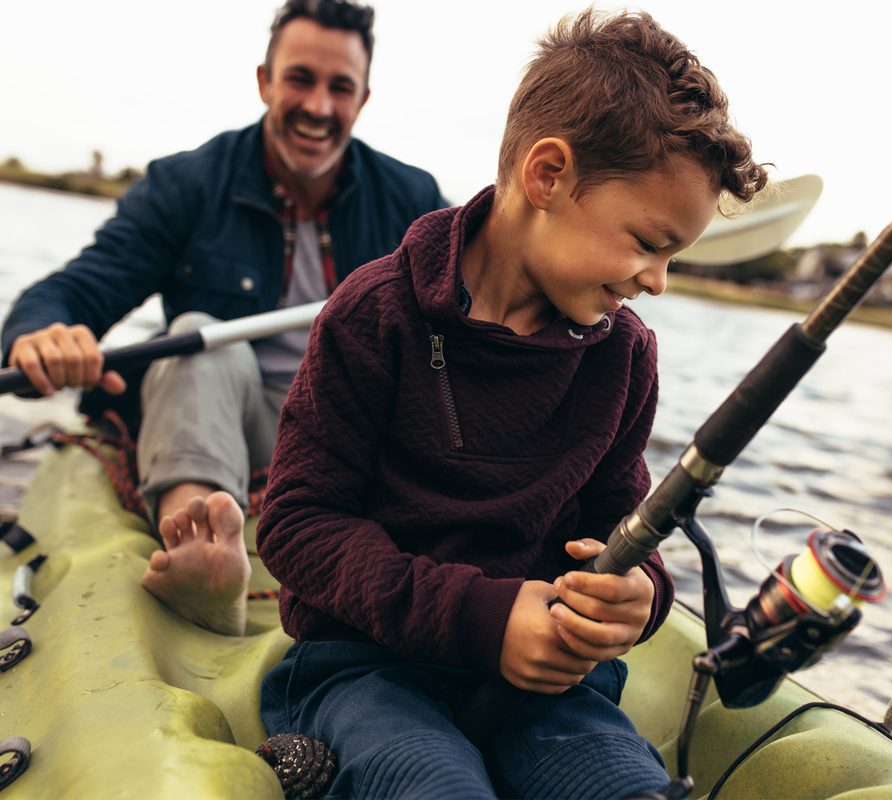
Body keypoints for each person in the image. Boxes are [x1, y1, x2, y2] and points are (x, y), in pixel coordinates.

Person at [254, 8, 768, 799]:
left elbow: (619, 522)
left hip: (550, 692)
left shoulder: (625, 356)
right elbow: (296, 524)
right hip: (366, 669)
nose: (658, 280)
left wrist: (641, 597)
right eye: (647, 242)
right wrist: (485, 620)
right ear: (549, 175)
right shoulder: (373, 313)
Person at [0, 0, 447, 637]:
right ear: (265, 81)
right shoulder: (188, 185)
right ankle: (203, 542)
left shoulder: (413, 200)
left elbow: (486, 292)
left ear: (362, 99)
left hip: (347, 430)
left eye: (338, 87)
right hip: (227, 422)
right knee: (197, 335)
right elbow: (72, 291)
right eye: (300, 79)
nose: (318, 106)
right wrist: (40, 335)